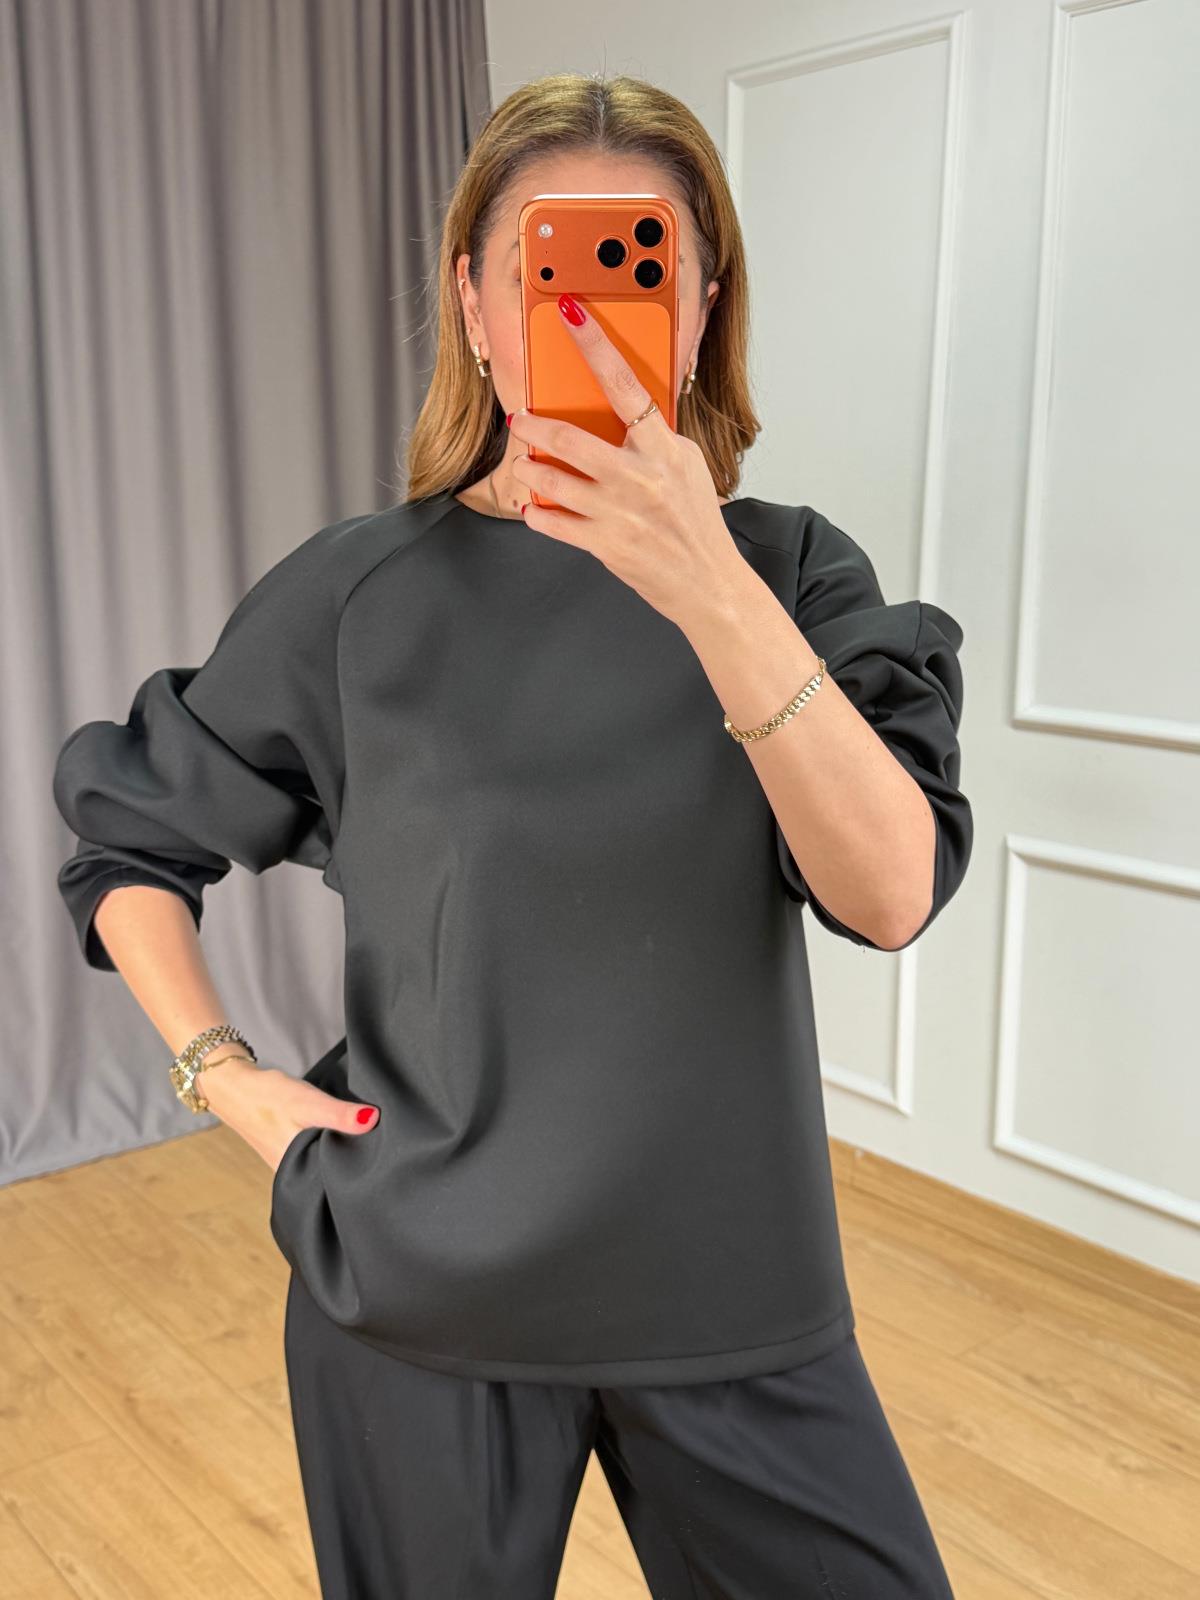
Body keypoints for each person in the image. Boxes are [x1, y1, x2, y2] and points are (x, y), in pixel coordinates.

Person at [52, 71, 970, 1600]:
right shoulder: (360, 597)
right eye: (548, 268)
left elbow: (887, 893)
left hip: (736, 1291)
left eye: (643, 265)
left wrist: (709, 587)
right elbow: (130, 841)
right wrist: (230, 1081)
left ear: (702, 309)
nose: (594, 312)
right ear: (475, 307)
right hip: (420, 1297)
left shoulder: (797, 577)